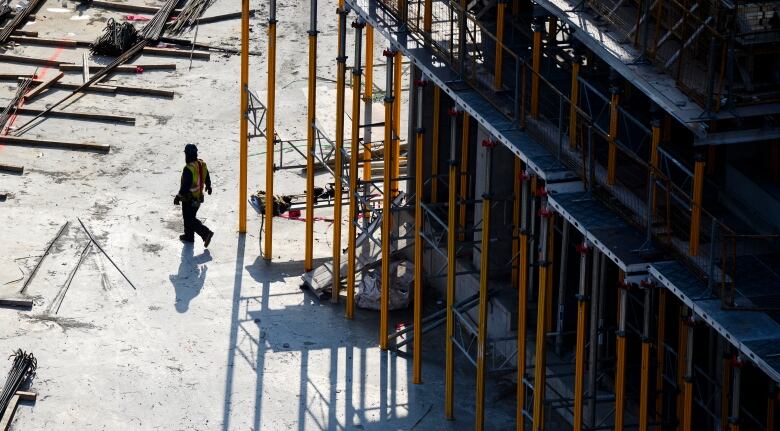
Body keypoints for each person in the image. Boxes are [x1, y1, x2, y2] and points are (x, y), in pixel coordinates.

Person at [174, 144, 214, 247]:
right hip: (198, 198)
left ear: (187, 154)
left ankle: (206, 233)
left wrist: (178, 196)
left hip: (189, 199)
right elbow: (207, 176)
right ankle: (189, 236)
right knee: (190, 217)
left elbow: (185, 186)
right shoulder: (201, 164)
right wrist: (208, 186)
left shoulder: (188, 169)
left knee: (189, 219)